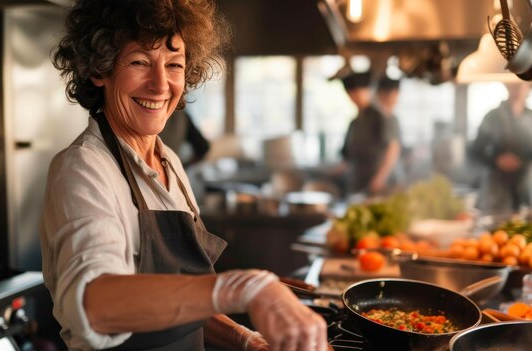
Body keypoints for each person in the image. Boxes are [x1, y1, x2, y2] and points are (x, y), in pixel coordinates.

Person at [40, 1, 327, 351]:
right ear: (100, 70)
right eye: (140, 62)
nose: (161, 85)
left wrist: (248, 341)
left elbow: (181, 295)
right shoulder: (83, 168)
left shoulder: (170, 161)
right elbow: (92, 304)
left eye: (174, 65)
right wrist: (243, 287)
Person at [470, 82, 532, 214]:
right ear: (506, 85)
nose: (518, 88)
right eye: (514, 84)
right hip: (497, 192)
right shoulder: (492, 117)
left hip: (530, 190)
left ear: (529, 86)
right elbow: (475, 151)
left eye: (522, 85)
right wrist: (496, 160)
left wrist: (526, 161)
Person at [339, 71, 404, 196]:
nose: (355, 96)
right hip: (359, 183)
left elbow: (393, 148)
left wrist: (380, 178)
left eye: (358, 91)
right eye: (351, 93)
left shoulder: (380, 116)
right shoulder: (355, 122)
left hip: (382, 185)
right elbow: (347, 155)